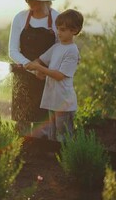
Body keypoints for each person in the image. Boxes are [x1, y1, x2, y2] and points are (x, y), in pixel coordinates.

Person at [9, 0, 60, 138]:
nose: (29, 2)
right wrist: (32, 68)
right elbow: (13, 51)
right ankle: (22, 159)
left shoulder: (58, 19)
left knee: (43, 128)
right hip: (23, 77)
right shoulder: (20, 18)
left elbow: (60, 49)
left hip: (47, 79)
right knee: (21, 127)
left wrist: (44, 70)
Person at [24, 9, 83, 142]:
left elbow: (59, 75)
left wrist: (39, 68)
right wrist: (33, 66)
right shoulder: (57, 47)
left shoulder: (72, 51)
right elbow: (41, 59)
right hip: (52, 100)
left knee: (64, 136)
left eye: (62, 30)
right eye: (58, 29)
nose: (58, 32)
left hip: (64, 102)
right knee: (52, 135)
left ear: (74, 30)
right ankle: (53, 160)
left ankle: (65, 160)